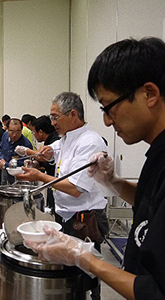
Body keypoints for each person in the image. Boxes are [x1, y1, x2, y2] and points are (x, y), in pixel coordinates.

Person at [28, 37, 165, 300]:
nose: (106, 119)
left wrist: (83, 257)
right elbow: (151, 200)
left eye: (110, 106)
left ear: (149, 94)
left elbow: (155, 290)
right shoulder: (157, 152)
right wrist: (112, 181)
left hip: (83, 218)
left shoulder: (90, 140)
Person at [17, 92, 109, 300]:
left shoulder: (90, 142)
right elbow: (53, 149)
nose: (52, 123)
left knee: (84, 275)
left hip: (84, 219)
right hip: (66, 216)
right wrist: (47, 152)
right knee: (68, 272)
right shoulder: (66, 138)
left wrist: (39, 175)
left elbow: (76, 188)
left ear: (73, 114)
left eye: (55, 117)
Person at [15, 115, 60, 210]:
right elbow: (47, 159)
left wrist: (26, 151)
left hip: (57, 182)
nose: (33, 135)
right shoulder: (49, 140)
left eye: (34, 132)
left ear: (41, 132)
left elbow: (45, 155)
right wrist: (36, 163)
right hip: (52, 182)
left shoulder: (55, 139)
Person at [0, 118, 33, 185]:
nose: (14, 135)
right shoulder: (5, 136)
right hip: (4, 171)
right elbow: (1, 149)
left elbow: (24, 164)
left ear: (21, 130)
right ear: (7, 129)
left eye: (17, 131)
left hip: (18, 176)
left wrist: (5, 164)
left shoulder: (26, 144)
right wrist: (1, 159)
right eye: (11, 131)